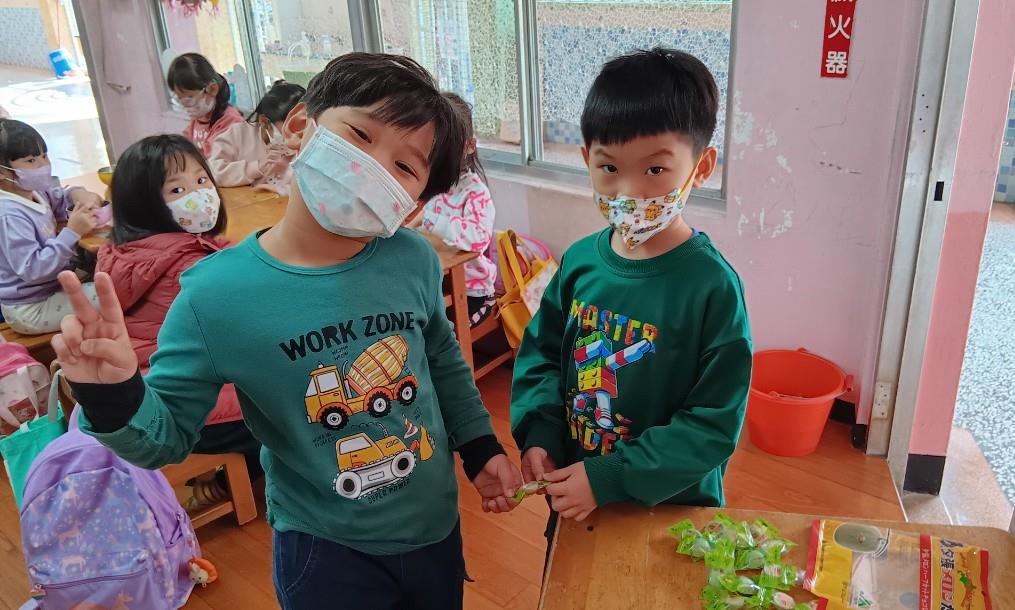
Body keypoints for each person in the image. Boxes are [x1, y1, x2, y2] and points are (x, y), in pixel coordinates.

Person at [53, 53, 522, 610]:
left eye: (404, 166)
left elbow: (442, 363)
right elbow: (165, 438)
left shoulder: (413, 259)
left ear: (415, 202)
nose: (373, 166)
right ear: (300, 125)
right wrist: (113, 394)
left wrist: (480, 447)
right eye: (360, 135)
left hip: (434, 527)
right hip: (325, 550)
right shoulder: (214, 294)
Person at [510, 48, 753, 538]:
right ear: (586, 160)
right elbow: (543, 354)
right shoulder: (580, 262)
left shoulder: (712, 287)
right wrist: (541, 432)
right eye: (608, 168)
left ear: (702, 166)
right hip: (578, 496)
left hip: (668, 509)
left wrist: (613, 476)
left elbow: (712, 423)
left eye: (655, 170)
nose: (629, 192)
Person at [96, 134, 261, 501]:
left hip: (146, 392)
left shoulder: (125, 252)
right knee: (290, 409)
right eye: (177, 189)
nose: (198, 195)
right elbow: (248, 334)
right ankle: (224, 487)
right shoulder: (188, 267)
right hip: (192, 412)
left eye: (201, 180)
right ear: (144, 204)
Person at [0, 119, 102, 334]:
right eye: (31, 160)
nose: (43, 165)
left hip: (52, 287)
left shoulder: (32, 192)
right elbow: (34, 269)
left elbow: (58, 198)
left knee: (107, 275)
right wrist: (72, 232)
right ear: (2, 172)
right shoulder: (9, 215)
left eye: (44, 156)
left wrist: (78, 193)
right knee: (112, 293)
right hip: (31, 307)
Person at [414, 92, 497, 327]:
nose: (438, 155)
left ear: (469, 146)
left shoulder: (476, 192)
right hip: (438, 284)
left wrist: (428, 219)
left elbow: (479, 238)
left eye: (446, 146)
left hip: (474, 294)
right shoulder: (431, 184)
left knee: (440, 336)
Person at [208, 80, 306, 194]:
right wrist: (256, 167)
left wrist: (283, 191)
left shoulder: (310, 141)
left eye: (302, 129)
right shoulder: (239, 134)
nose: (296, 138)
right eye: (288, 130)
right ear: (264, 121)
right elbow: (213, 172)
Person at [168, 53, 244, 157]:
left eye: (189, 98)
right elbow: (184, 142)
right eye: (180, 99)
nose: (185, 106)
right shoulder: (198, 119)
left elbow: (215, 155)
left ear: (212, 89)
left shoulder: (232, 121)